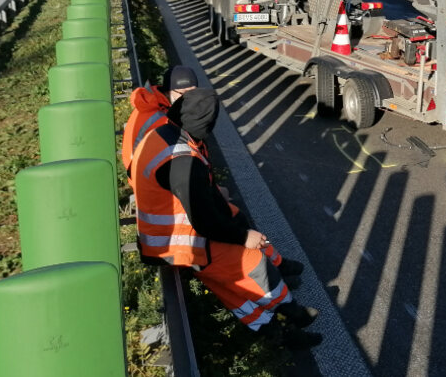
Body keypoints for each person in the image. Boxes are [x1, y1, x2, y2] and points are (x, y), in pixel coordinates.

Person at [130, 88, 320, 348]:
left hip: (166, 236)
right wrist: (243, 237)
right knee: (254, 266)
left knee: (235, 286)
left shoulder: (164, 133)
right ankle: (293, 313)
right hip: (180, 244)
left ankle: (277, 334)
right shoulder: (183, 162)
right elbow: (205, 222)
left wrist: (219, 202)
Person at [121, 66, 198, 178]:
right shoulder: (161, 120)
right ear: (167, 92)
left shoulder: (152, 104)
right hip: (146, 180)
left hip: (144, 173)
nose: (191, 98)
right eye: (183, 94)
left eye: (194, 93)